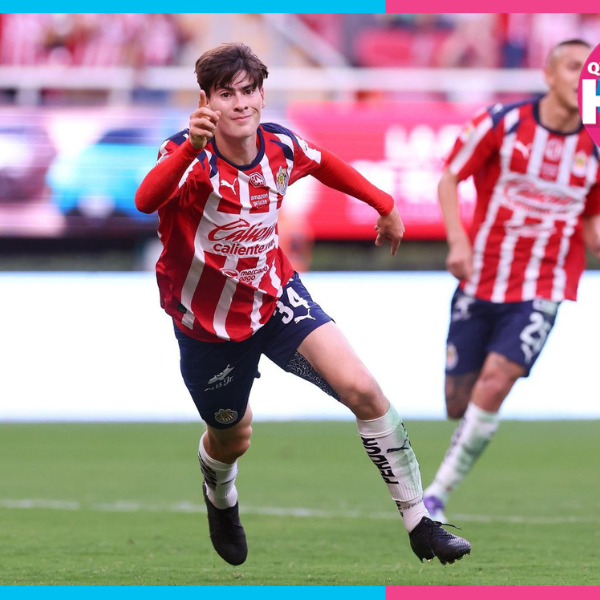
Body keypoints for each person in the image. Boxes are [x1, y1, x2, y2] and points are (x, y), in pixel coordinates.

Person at [135, 42, 471, 566]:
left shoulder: (281, 146)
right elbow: (145, 200)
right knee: (233, 437)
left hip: (277, 298)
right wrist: (187, 150)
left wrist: (383, 204)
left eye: (249, 91)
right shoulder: (186, 155)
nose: (241, 103)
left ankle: (421, 524)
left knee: (363, 390)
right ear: (206, 101)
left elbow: (326, 162)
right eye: (226, 94)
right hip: (209, 326)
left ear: (262, 95)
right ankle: (220, 493)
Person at [423, 39, 600, 522]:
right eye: (572, 67)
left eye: (589, 71)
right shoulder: (501, 122)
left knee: (498, 379)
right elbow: (449, 178)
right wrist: (458, 242)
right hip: (481, 277)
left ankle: (436, 494)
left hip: (544, 284)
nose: (582, 78)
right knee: (457, 402)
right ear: (548, 75)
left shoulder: (595, 147)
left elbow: (591, 224)